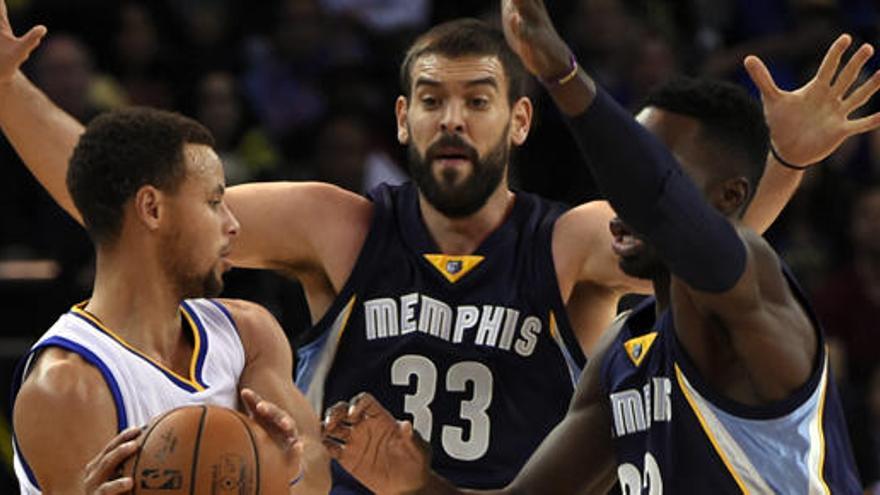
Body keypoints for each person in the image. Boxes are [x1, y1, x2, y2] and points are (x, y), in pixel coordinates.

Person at [1, 0, 877, 490]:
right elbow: (131, 204)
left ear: (520, 119)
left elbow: (704, 258)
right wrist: (8, 97)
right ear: (403, 119)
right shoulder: (334, 223)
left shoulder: (568, 238)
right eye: (430, 97)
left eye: (478, 97)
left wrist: (785, 166)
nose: (452, 116)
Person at [321, 0, 876, 493]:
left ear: (729, 198)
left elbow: (657, 198)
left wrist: (562, 72)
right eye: (618, 179)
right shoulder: (623, 354)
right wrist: (421, 485)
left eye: (648, 173)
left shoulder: (753, 286)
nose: (619, 196)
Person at [10, 108, 331, 495]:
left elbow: (315, 474)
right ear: (152, 208)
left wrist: (286, 471)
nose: (233, 224)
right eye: (214, 202)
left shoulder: (249, 333)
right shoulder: (68, 387)